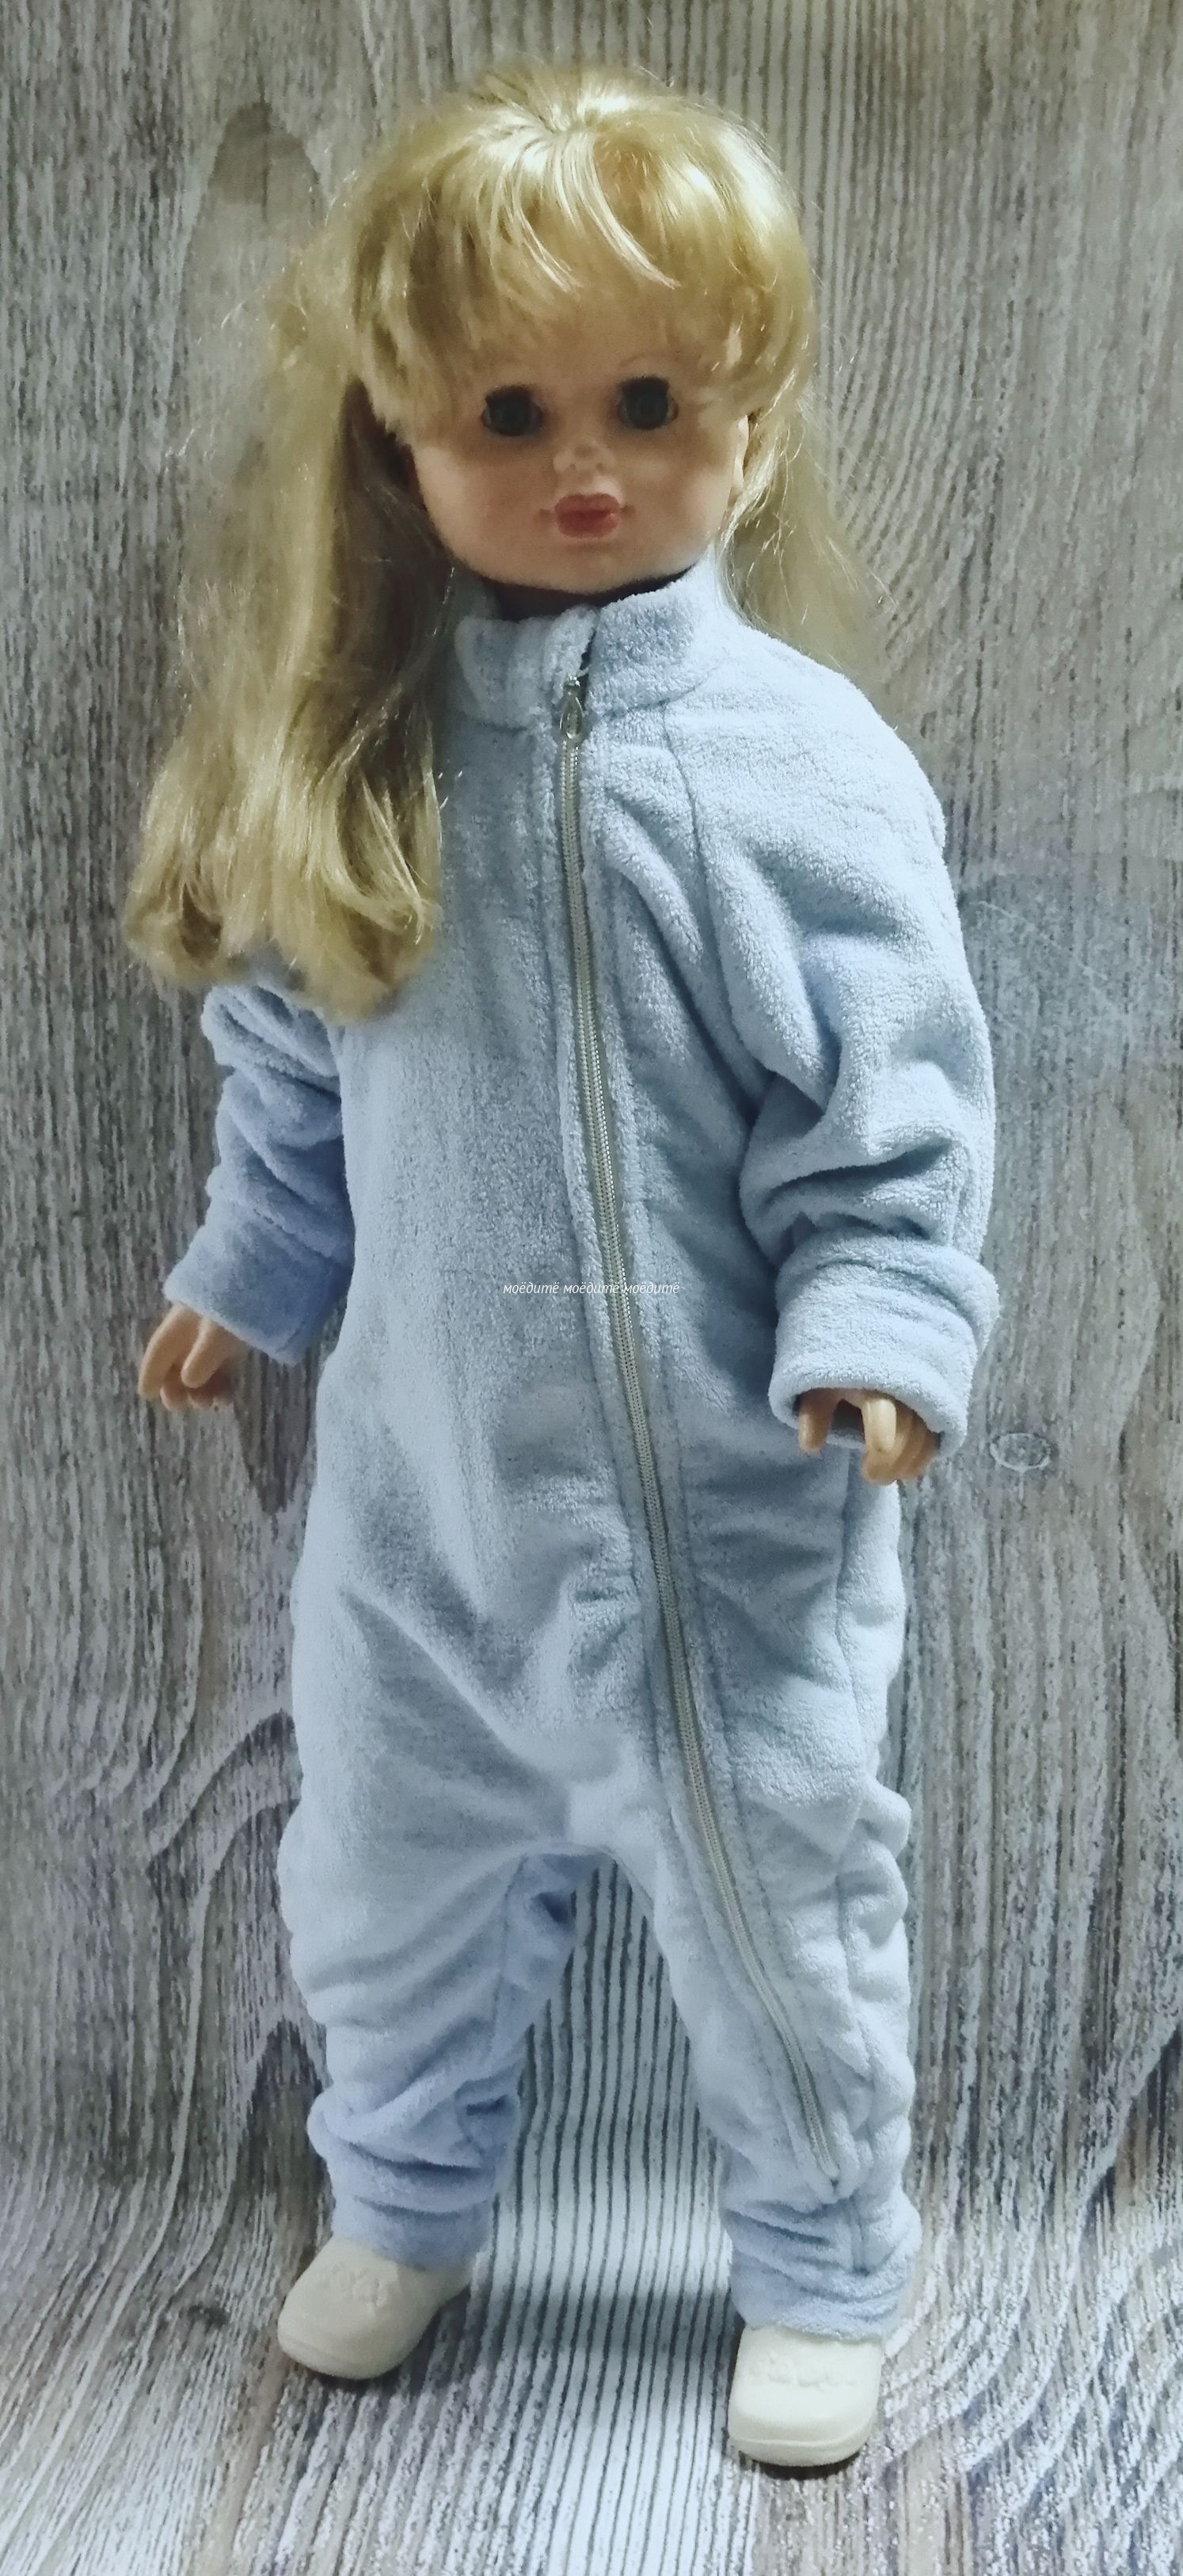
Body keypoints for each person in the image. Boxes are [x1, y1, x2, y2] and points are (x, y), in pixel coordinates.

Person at [127, 58, 1001, 2470]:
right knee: (378, 1887)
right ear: (397, 436)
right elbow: (292, 1065)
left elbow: (896, 1100)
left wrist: (880, 1325)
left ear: (753, 421)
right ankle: (403, 2201)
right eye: (509, 414)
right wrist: (246, 1267)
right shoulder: (361, 757)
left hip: (727, 1512)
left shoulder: (803, 768)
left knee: (782, 1903)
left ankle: (820, 2258)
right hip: (418, 1515)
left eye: (649, 404)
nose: (584, 463)